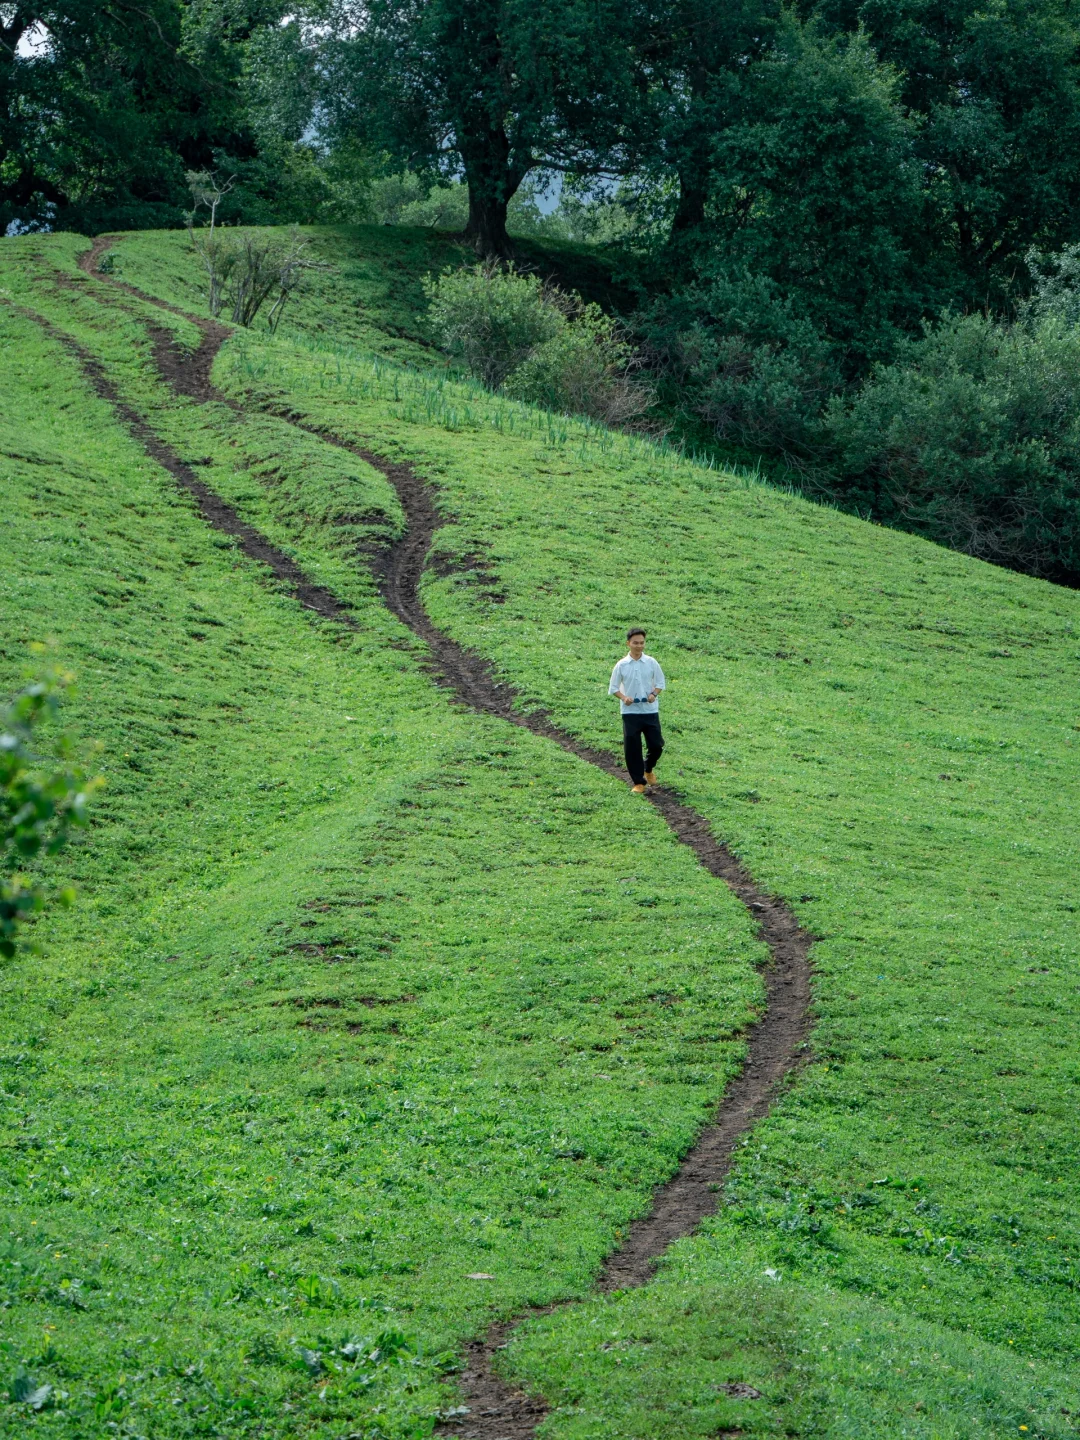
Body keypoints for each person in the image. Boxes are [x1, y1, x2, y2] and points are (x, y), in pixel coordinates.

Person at [609, 628, 666, 793]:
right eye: (635, 643)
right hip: (630, 712)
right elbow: (613, 688)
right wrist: (623, 697)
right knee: (632, 747)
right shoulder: (621, 665)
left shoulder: (651, 662)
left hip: (650, 710)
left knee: (657, 745)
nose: (639, 646)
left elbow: (660, 683)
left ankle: (648, 769)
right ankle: (638, 782)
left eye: (642, 643)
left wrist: (654, 694)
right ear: (628, 643)